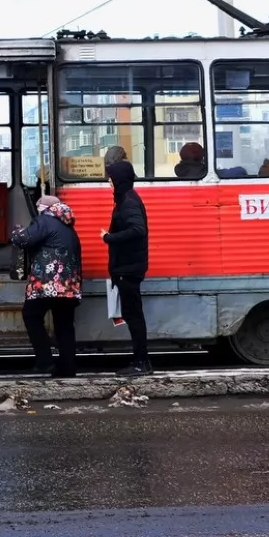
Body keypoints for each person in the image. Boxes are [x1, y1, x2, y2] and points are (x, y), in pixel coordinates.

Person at [12, 195, 84, 377]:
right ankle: (68, 368)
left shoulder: (44, 220)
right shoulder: (68, 226)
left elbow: (24, 240)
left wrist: (17, 232)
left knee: (31, 316)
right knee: (65, 325)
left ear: (44, 207)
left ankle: (45, 361)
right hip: (69, 285)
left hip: (47, 284)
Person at [102, 160, 152, 377]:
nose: (109, 183)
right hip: (128, 267)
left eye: (111, 179)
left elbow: (138, 229)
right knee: (133, 316)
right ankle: (141, 361)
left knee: (134, 317)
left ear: (119, 179)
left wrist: (109, 237)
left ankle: (141, 362)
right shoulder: (126, 199)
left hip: (129, 269)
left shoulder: (129, 201)